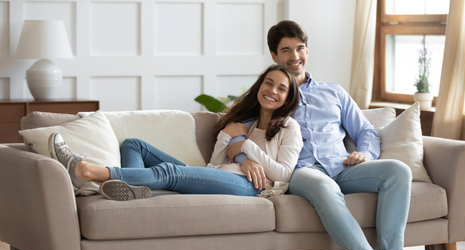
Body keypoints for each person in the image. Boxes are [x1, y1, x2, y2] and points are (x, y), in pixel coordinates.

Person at [230, 21, 432, 250]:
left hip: (342, 166)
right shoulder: (271, 93)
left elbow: (365, 131)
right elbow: (234, 133)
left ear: (307, 50)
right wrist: (244, 158)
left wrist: (365, 153)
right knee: (326, 188)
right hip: (302, 171)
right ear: (274, 56)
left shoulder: (333, 92)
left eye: (299, 48)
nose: (294, 56)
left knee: (397, 170)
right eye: (286, 50)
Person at [48, 64, 303, 200]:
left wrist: (246, 149)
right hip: (220, 175)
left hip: (249, 187)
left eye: (282, 89)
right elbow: (214, 164)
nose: (272, 90)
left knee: (170, 173)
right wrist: (227, 136)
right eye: (268, 83)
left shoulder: (289, 128)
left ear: (288, 97)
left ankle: (88, 172)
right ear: (259, 86)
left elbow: (284, 174)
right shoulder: (243, 123)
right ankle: (131, 188)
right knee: (133, 144)